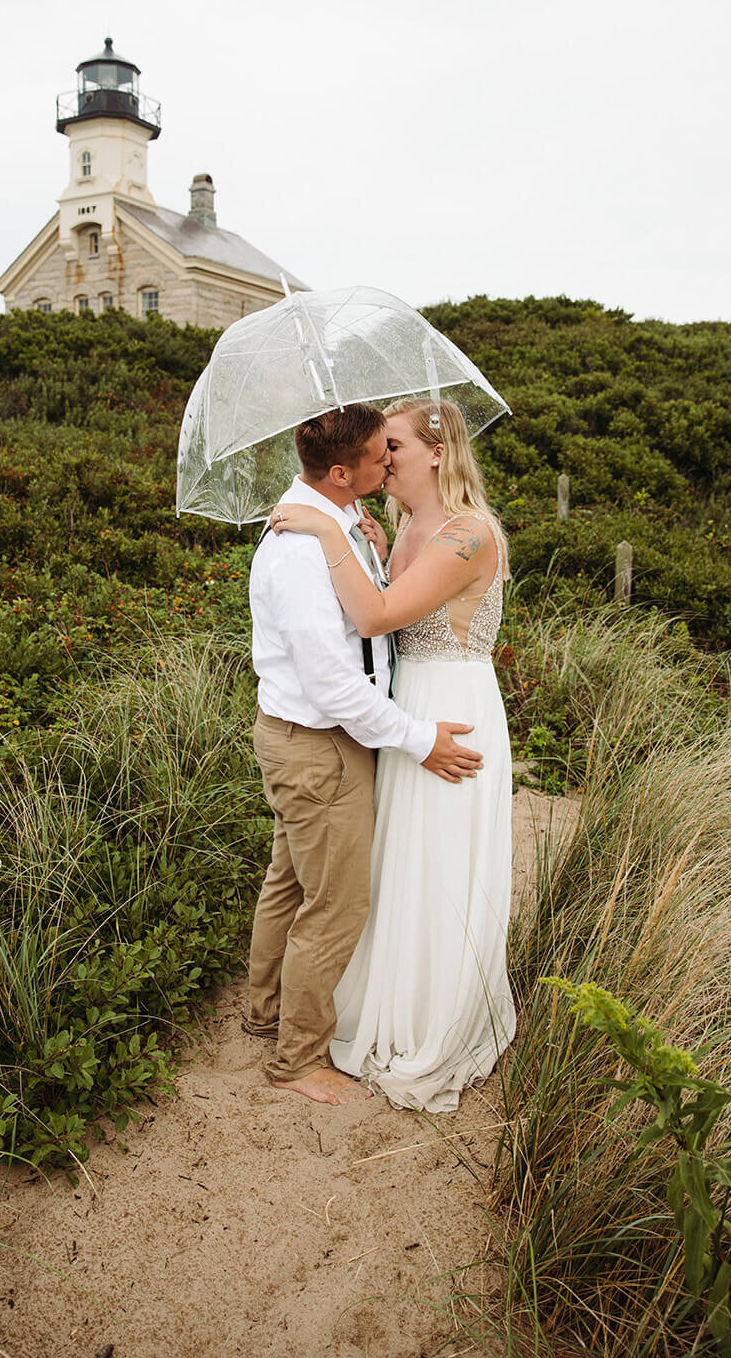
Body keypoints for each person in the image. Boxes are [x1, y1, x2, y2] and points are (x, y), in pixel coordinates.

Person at [268, 397, 515, 1112]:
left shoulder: (468, 534)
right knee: (396, 859)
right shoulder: (407, 526)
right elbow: (388, 608)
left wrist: (326, 529)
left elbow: (375, 616)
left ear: (436, 453)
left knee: (437, 861)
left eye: (396, 446)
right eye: (381, 447)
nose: (386, 457)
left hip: (452, 714)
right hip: (408, 707)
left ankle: (429, 1016)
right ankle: (373, 995)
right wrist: (369, 548)